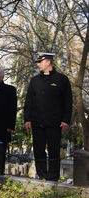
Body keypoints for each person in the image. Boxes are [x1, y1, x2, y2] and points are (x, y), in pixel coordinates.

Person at [24, 52, 72, 181]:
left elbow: (67, 101)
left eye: (40, 62)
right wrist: (27, 119)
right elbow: (29, 101)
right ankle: (42, 174)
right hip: (37, 121)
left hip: (54, 122)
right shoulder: (34, 81)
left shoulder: (61, 79)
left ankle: (53, 176)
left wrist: (66, 120)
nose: (38, 64)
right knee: (38, 150)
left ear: (48, 62)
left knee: (53, 150)